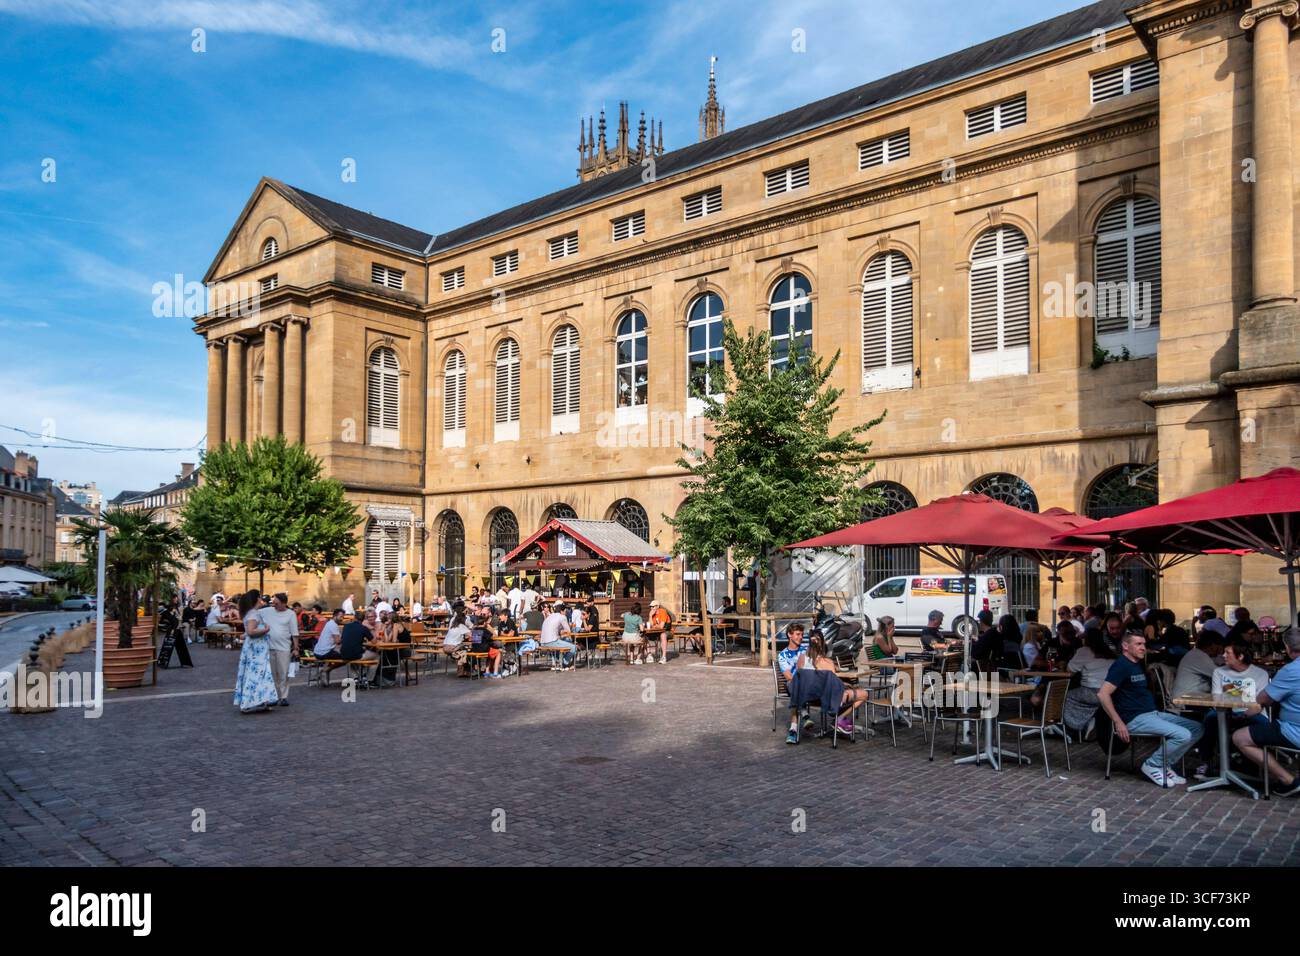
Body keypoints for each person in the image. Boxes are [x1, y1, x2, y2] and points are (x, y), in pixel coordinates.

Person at [1097, 632, 1204, 787]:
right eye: (1138, 644)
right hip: (1134, 718)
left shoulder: (1136, 664)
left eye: (1144, 644)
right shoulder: (1121, 665)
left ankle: (1163, 764)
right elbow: (1103, 694)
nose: (1143, 648)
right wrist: (1118, 722)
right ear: (1125, 646)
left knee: (1197, 728)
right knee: (1183, 734)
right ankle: (1153, 764)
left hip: (1151, 714)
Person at [1231, 626, 1300, 796]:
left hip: (1294, 730)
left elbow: (1261, 701)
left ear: (1287, 648)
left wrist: (1241, 715)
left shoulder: (1290, 671)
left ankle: (1287, 780)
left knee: (1240, 737)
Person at [1197, 638, 1272, 776]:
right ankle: (1206, 761)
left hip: (1252, 713)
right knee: (1210, 719)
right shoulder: (1219, 672)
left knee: (1263, 724)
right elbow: (1217, 698)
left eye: (1227, 653)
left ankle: (1255, 765)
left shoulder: (1260, 674)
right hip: (1224, 712)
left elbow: (1258, 704)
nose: (1223, 656)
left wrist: (1241, 711)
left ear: (1240, 656)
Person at [807, 631, 869, 738]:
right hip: (832, 696)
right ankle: (839, 719)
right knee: (864, 694)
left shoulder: (808, 660)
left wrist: (842, 682)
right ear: (823, 644)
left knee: (852, 688)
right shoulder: (823, 662)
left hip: (819, 696)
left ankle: (839, 718)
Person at [232, 590, 278, 714]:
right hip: (257, 649)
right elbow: (252, 631)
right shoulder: (253, 614)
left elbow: (249, 631)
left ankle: (263, 699)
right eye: (260, 597)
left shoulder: (251, 613)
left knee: (260, 673)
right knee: (257, 673)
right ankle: (248, 702)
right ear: (257, 599)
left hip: (255, 648)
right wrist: (266, 629)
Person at [260, 592, 299, 707]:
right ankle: (273, 695)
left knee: (283, 673)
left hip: (284, 648)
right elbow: (253, 613)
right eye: (273, 603)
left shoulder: (291, 614)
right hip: (269, 647)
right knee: (271, 673)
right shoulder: (267, 611)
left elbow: (294, 632)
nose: (274, 605)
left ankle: (283, 696)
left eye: (276, 603)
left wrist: (295, 648)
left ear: (283, 604)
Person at [779, 623, 813, 744]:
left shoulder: (807, 650)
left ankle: (794, 729)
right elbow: (788, 676)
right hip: (795, 684)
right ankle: (803, 713)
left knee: (796, 689)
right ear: (789, 635)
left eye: (802, 635)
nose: (800, 637)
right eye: (798, 634)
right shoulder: (783, 655)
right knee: (794, 684)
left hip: (810, 684)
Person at [1171, 630, 1225, 700]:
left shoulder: (1197, 654)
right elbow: (1222, 676)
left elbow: (1219, 661)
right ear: (1212, 645)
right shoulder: (1199, 656)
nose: (1220, 652)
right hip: (1184, 703)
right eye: (1219, 648)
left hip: (1190, 699)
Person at [540, 602, 577, 670]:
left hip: (542, 642)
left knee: (563, 641)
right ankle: (564, 663)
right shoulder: (562, 617)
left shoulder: (550, 616)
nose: (566, 612)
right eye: (565, 611)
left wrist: (561, 632)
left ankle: (557, 662)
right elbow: (568, 631)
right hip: (551, 641)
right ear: (561, 611)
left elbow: (556, 630)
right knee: (574, 647)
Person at [443, 609, 472, 676]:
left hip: (445, 647)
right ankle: (462, 671)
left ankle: (462, 671)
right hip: (452, 648)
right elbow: (472, 635)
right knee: (465, 652)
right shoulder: (461, 626)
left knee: (461, 650)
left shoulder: (452, 626)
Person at [647, 599, 672, 664]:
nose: (651, 608)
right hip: (657, 631)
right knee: (645, 636)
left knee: (663, 635)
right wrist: (650, 616)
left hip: (667, 631)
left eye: (653, 607)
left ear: (657, 606)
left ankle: (663, 657)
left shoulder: (663, 612)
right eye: (650, 607)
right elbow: (651, 625)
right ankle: (649, 655)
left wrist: (655, 626)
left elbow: (661, 626)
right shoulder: (652, 614)